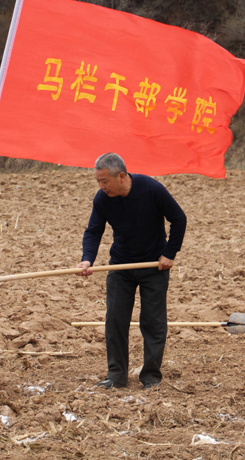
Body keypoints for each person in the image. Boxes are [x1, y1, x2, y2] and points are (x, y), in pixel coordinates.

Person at [77, 153, 187, 390]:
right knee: (115, 320)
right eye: (98, 181)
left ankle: (151, 377)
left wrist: (169, 253)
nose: (101, 186)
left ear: (121, 176)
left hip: (153, 266)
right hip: (121, 266)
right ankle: (116, 376)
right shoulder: (102, 199)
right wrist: (87, 259)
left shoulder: (151, 189)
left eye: (104, 181)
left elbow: (178, 219)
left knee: (153, 322)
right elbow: (93, 231)